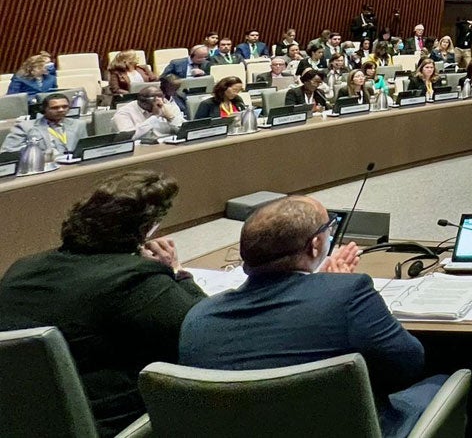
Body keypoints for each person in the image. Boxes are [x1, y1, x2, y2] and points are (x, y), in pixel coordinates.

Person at [179, 196, 441, 438]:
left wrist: (326, 287)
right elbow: (408, 363)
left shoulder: (199, 317)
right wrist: (333, 289)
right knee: (439, 384)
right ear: (316, 246)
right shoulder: (347, 293)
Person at [0, 172, 205, 437]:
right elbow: (203, 328)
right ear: (144, 231)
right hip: (107, 424)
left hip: (19, 422)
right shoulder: (133, 279)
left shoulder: (22, 269)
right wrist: (177, 272)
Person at [2, 92, 87, 154]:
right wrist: (39, 153)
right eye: (55, 108)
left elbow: (84, 148)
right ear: (44, 109)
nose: (61, 110)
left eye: (65, 107)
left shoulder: (79, 124)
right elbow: (7, 152)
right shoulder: (24, 127)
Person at [113, 86, 186, 139]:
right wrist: (155, 117)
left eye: (161, 98)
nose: (161, 103)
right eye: (155, 101)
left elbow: (184, 131)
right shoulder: (124, 113)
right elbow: (128, 137)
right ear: (143, 103)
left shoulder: (168, 106)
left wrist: (171, 118)